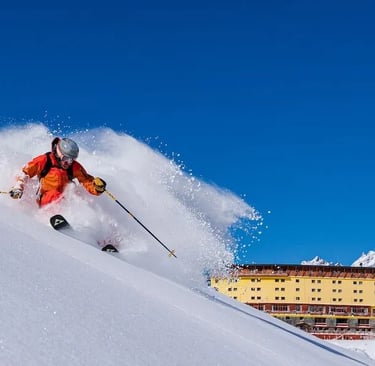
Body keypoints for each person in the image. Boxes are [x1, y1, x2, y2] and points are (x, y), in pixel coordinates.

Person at [9, 137, 107, 207]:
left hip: (65, 200)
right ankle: (54, 219)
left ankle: (88, 229)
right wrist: (18, 187)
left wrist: (97, 187)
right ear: (58, 153)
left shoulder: (74, 167)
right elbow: (25, 173)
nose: (68, 162)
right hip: (46, 200)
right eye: (65, 158)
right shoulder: (44, 160)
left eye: (72, 159)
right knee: (54, 195)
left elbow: (86, 181)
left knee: (80, 199)